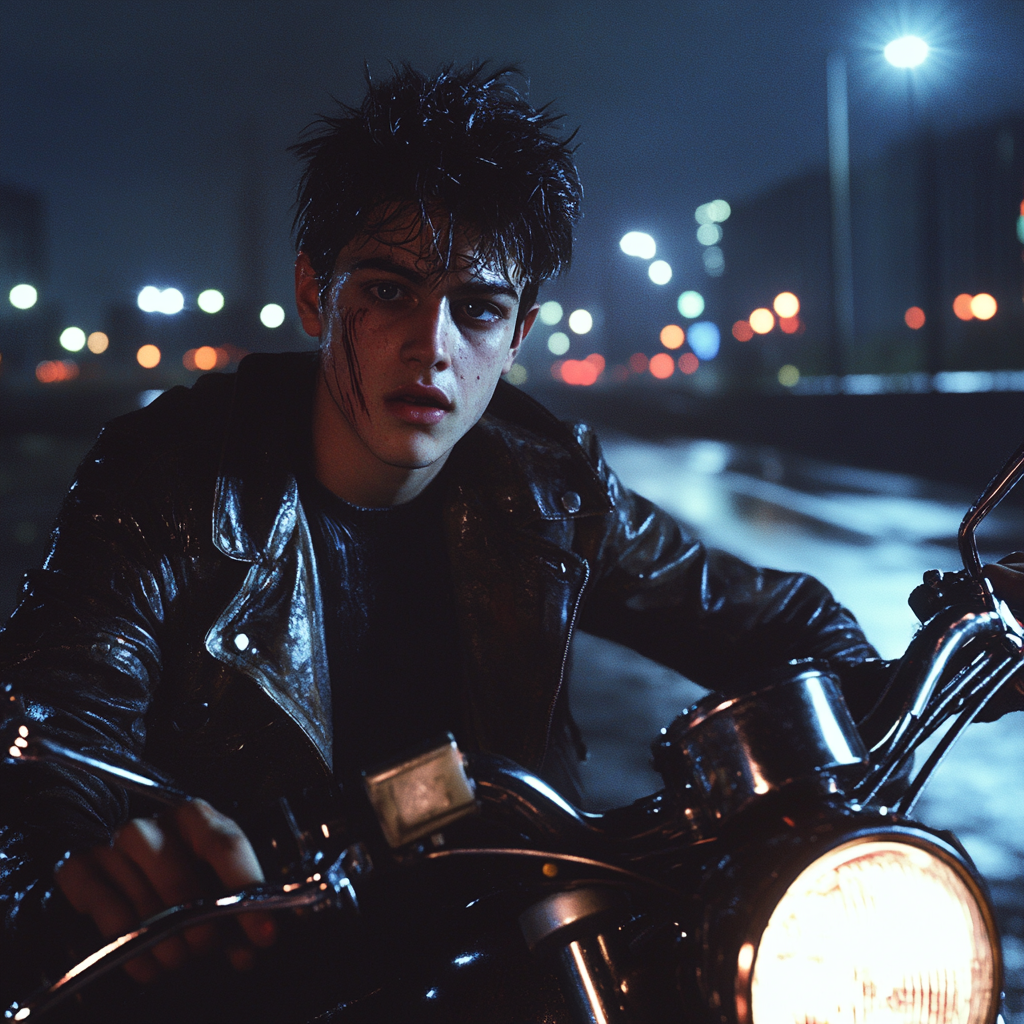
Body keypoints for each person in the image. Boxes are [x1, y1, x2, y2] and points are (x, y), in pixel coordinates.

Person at [1, 63, 1019, 1012]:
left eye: (476, 308)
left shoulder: (547, 484)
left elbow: (761, 616)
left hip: (528, 952)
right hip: (257, 968)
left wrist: (947, 660)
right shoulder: (174, 475)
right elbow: (54, 722)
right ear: (319, 294)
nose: (431, 348)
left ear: (518, 331)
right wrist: (117, 852)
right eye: (390, 290)